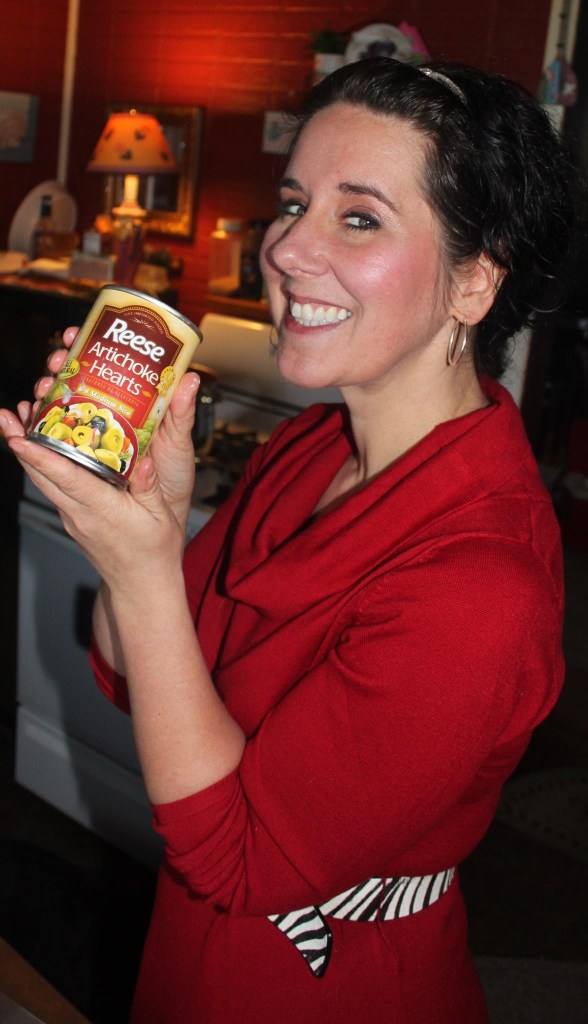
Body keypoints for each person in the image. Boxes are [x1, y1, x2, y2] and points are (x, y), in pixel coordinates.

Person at [1, 57, 584, 1023]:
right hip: (189, 946)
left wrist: (145, 570)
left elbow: (240, 859)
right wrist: (129, 511)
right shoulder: (311, 446)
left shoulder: (483, 588)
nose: (286, 250)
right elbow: (132, 666)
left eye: (359, 217)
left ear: (476, 279)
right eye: (293, 203)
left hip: (326, 982)